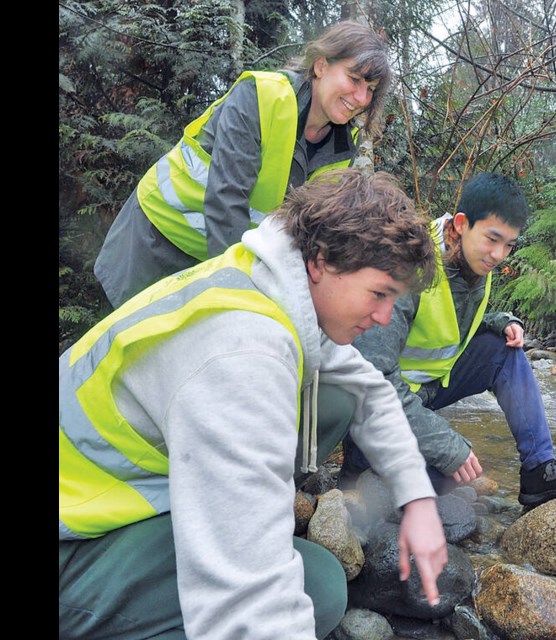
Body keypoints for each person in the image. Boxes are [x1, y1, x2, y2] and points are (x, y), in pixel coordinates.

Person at [60, 170, 448, 640]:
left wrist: (417, 498)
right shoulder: (242, 355)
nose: (386, 316)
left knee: (335, 395)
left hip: (106, 496)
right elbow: (248, 608)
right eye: (379, 293)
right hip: (72, 540)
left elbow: (369, 386)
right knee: (319, 587)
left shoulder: (266, 282)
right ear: (322, 260)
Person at [343, 173, 556, 507]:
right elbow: (371, 378)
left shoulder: (473, 259)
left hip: (426, 393)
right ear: (460, 223)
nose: (499, 255)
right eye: (492, 239)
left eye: (509, 245)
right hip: (377, 406)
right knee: (419, 485)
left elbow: (448, 320)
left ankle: (540, 469)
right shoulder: (406, 263)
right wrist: (446, 444)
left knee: (504, 350)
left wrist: (500, 322)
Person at [95, 20, 392, 308]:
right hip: (157, 238)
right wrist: (242, 297)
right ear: (321, 65)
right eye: (355, 79)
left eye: (371, 89)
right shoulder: (261, 95)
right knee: (122, 346)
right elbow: (227, 201)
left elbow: (308, 231)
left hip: (217, 258)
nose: (361, 97)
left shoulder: (342, 149)